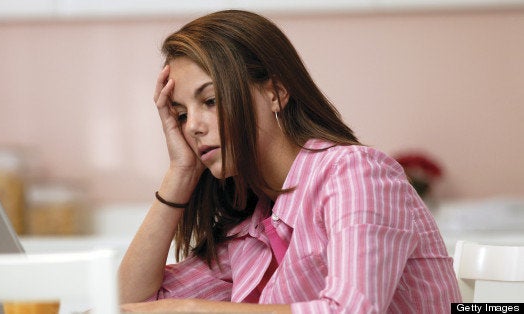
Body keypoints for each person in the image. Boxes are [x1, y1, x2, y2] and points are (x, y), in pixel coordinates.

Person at [118, 9, 461, 313]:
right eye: (180, 115)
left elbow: (352, 309)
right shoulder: (254, 224)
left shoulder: (356, 173)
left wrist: (195, 310)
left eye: (209, 100)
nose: (192, 126)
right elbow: (131, 304)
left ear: (276, 93)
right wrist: (181, 171)